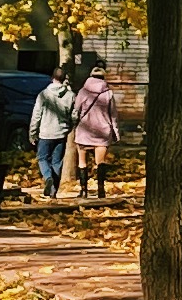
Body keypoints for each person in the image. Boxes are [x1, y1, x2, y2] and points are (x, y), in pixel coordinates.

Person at [67, 63, 121, 201]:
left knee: (82, 162)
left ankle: (84, 191)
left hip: (85, 131)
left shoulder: (83, 92)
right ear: (103, 77)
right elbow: (113, 114)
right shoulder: (108, 93)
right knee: (100, 162)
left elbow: (76, 109)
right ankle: (101, 190)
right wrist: (116, 131)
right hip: (103, 132)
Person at [29, 67, 73, 200]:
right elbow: (75, 114)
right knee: (57, 162)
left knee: (42, 158)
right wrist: (69, 127)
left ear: (52, 78)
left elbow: (36, 115)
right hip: (61, 134)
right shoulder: (71, 95)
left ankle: (48, 177)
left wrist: (32, 133)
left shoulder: (43, 95)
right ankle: (54, 192)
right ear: (64, 79)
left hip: (45, 133)